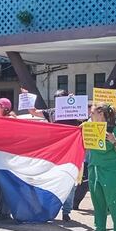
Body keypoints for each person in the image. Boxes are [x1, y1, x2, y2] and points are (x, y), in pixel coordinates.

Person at [28, 89, 82, 221]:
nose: (59, 101)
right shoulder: (51, 112)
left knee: (71, 182)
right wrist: (26, 97)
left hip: (72, 152)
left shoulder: (74, 110)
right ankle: (47, 208)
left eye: (62, 98)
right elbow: (33, 112)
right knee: (51, 180)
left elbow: (84, 117)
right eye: (57, 98)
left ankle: (66, 211)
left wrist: (74, 102)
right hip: (55, 153)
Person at [87, 102, 116, 231]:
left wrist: (114, 140)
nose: (90, 115)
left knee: (114, 201)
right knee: (97, 201)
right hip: (95, 169)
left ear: (101, 115)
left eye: (93, 113)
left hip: (111, 170)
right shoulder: (90, 127)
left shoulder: (112, 129)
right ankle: (100, 230)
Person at [0, 98, 15, 220]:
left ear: (4, 109)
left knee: (7, 185)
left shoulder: (11, 121)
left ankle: (6, 212)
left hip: (8, 158)